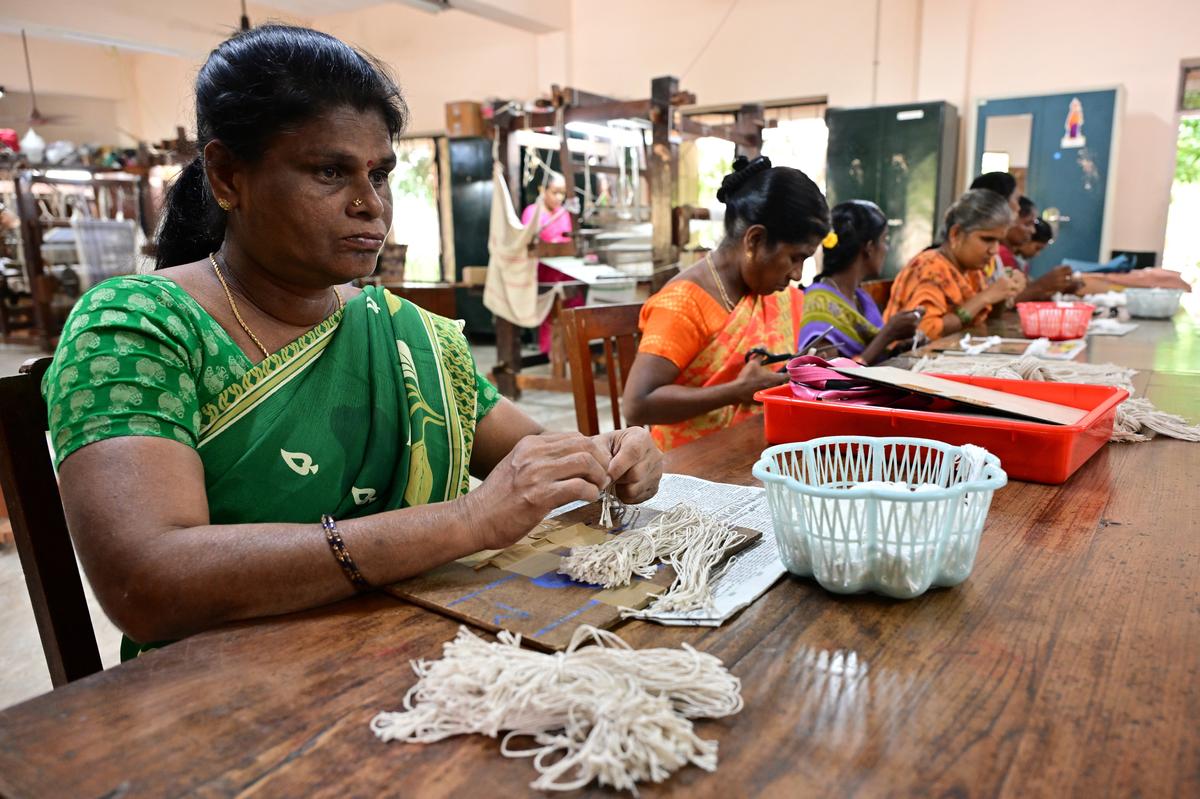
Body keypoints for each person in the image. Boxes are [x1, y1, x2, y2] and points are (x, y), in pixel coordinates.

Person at [40, 26, 662, 657]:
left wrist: (607, 459)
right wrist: (469, 520)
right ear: (227, 176)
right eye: (330, 171)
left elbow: (531, 457)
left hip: (415, 655)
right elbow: (144, 582)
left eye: (381, 174)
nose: (371, 205)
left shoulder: (399, 331)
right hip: (225, 690)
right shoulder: (139, 326)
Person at [622, 155, 830, 450]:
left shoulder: (772, 294)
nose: (797, 275)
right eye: (795, 257)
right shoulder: (685, 303)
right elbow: (638, 404)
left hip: (753, 449)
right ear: (755, 240)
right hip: (689, 468)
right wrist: (736, 391)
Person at [884, 189, 1019, 339]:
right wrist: (983, 298)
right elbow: (925, 331)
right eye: (987, 239)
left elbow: (985, 320)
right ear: (955, 234)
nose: (994, 250)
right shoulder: (929, 266)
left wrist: (1003, 293)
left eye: (998, 241)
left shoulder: (973, 271)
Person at [797, 200, 921, 363]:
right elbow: (828, 378)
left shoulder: (861, 297)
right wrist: (887, 335)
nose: (887, 248)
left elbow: (874, 360)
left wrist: (899, 347)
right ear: (869, 247)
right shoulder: (819, 304)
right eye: (884, 239)